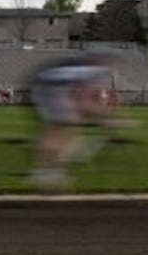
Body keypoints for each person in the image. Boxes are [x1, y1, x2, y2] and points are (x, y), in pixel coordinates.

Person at [27, 52, 119, 189]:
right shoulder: (93, 72)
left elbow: (83, 100)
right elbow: (84, 102)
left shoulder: (84, 68)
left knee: (65, 128)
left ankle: (47, 171)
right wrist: (106, 118)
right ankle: (46, 173)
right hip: (48, 89)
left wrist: (101, 116)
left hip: (47, 86)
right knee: (65, 128)